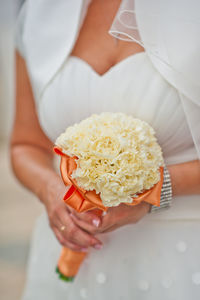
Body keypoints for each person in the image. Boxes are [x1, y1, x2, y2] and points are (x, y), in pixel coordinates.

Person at [11, 0, 200, 299]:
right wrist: (50, 191)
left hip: (182, 255)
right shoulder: (38, 11)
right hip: (72, 259)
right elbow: (25, 144)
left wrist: (154, 191)